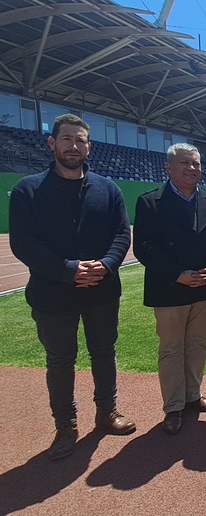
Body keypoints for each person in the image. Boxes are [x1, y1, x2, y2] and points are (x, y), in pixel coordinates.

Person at [9, 113, 135, 461]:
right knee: (61, 360)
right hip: (52, 293)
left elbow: (121, 234)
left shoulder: (107, 188)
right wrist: (67, 270)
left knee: (104, 353)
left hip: (101, 290)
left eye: (80, 140)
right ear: (52, 143)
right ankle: (66, 425)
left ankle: (106, 412)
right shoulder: (28, 190)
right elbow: (24, 243)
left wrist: (107, 265)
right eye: (67, 139)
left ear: (89, 147)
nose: (74, 146)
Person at [133, 143, 206, 435]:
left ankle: (193, 396)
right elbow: (144, 247)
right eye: (185, 163)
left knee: (197, 345)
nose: (192, 168)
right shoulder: (150, 202)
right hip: (169, 287)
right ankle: (173, 407)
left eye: (196, 164)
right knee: (172, 349)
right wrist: (178, 274)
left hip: (205, 287)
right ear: (169, 167)